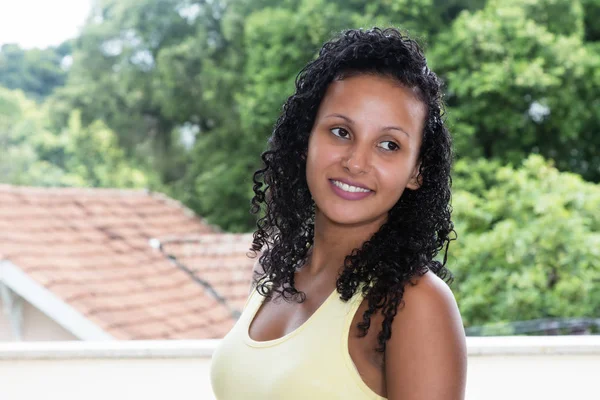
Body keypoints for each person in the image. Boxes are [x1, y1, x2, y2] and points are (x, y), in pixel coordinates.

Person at [210, 27, 467, 400]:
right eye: (341, 132)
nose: (356, 162)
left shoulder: (415, 304)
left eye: (388, 144)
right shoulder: (274, 269)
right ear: (306, 141)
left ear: (416, 171)